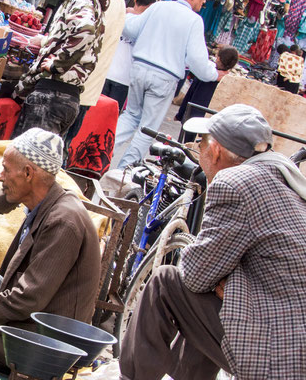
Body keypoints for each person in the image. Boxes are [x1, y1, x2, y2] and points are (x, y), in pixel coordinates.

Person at [119, 104, 306, 380]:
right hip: (291, 346)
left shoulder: (235, 182)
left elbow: (194, 275)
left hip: (271, 354)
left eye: (201, 143)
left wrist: (223, 283)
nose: (200, 151)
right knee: (203, 299)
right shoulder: (286, 178)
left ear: (216, 150)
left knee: (166, 282)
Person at [0, 128, 101, 369]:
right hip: (26, 312)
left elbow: (27, 299)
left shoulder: (63, 222)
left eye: (5, 169)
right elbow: (10, 193)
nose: (0, 176)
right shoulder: (46, 196)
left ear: (28, 173)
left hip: (42, 339)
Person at [113, 0, 228, 169]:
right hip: (163, 77)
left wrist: (128, 15)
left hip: (140, 68)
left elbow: (131, 29)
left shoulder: (159, 6)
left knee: (130, 116)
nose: (204, 1)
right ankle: (122, 172)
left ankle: (99, 155)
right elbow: (197, 60)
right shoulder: (193, 20)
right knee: (147, 128)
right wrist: (214, 74)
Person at [11, 0, 109, 139]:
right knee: (37, 160)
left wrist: (57, 65)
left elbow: (86, 29)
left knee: (25, 160)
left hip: (53, 94)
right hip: (65, 96)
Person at [62, 0, 126, 148]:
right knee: (61, 147)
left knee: (55, 148)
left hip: (77, 86)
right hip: (85, 89)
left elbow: (83, 38)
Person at [102, 0, 157, 112]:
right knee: (111, 117)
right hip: (125, 79)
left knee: (94, 112)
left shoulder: (121, 14)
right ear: (152, 6)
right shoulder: (147, 27)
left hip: (106, 71)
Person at [175, 45, 239, 143]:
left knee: (187, 145)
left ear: (218, 58)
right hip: (212, 123)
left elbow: (190, 94)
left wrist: (180, 114)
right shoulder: (229, 82)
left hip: (193, 117)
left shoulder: (205, 75)